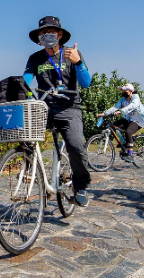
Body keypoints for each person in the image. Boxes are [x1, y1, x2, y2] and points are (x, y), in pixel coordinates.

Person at [23, 16, 93, 206]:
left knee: (76, 146)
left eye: (50, 33)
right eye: (42, 33)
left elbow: (86, 83)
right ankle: (30, 172)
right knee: (24, 136)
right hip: (44, 107)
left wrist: (78, 63)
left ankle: (80, 185)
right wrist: (25, 94)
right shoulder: (35, 58)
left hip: (69, 108)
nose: (45, 36)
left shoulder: (72, 54)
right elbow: (26, 81)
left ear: (60, 35)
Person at [97, 83, 144, 161]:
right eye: (122, 91)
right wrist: (104, 113)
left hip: (137, 121)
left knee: (128, 132)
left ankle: (130, 154)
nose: (123, 92)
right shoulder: (123, 100)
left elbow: (132, 106)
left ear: (130, 91)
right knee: (114, 126)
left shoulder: (136, 100)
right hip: (127, 120)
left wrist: (120, 111)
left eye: (125, 91)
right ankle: (124, 143)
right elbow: (115, 107)